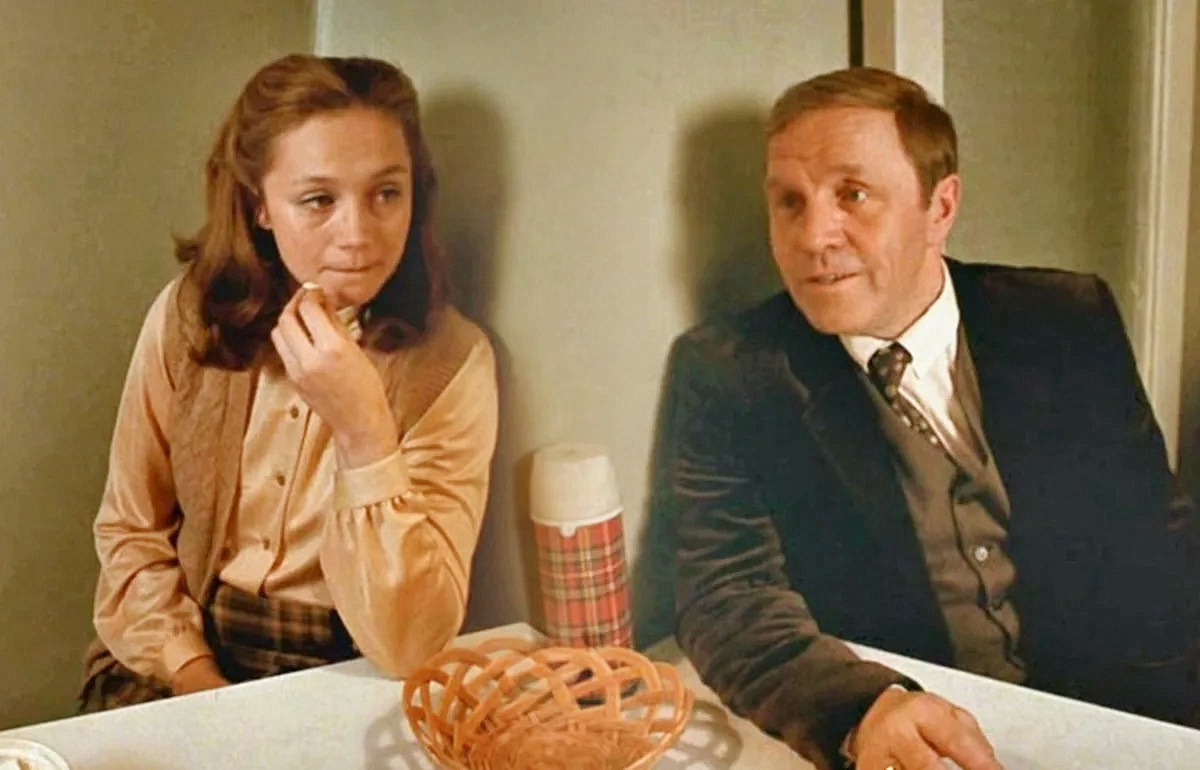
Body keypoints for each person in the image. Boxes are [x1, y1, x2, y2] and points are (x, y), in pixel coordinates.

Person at [667, 66, 1200, 770]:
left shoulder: (1066, 320)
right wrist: (859, 709)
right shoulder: (730, 372)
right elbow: (727, 596)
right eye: (789, 202)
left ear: (940, 207)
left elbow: (1153, 538)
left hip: (1112, 722)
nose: (813, 236)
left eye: (853, 194)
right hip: (917, 731)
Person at [79, 53, 499, 711]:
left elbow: (411, 646)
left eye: (387, 193)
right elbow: (131, 532)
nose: (357, 235)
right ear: (261, 207)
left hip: (348, 668)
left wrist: (364, 433)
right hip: (182, 650)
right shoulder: (189, 319)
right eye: (318, 200)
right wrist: (195, 678)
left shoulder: (453, 361)